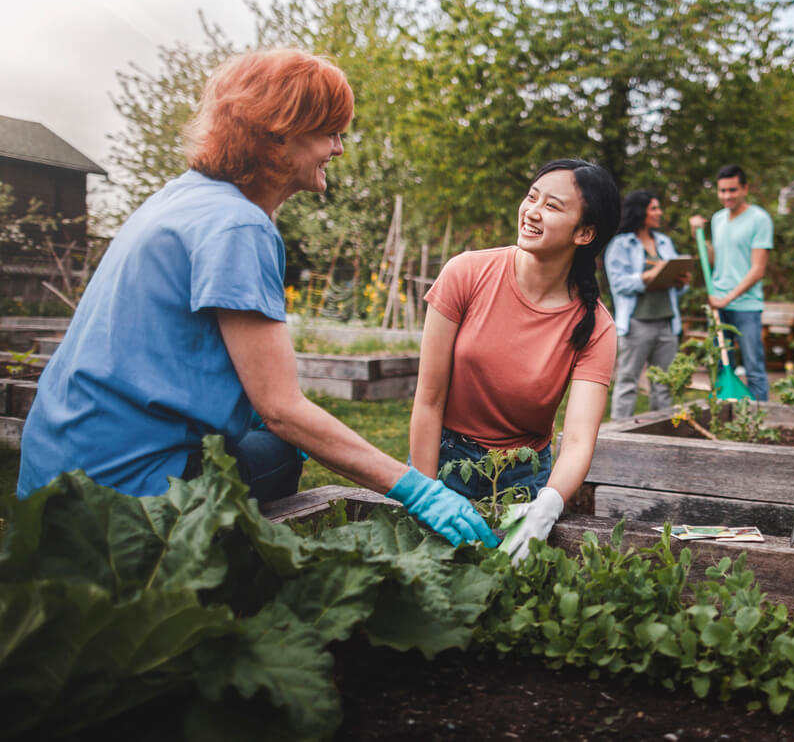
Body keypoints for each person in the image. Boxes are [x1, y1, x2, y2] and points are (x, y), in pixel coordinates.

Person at [18, 49, 496, 549]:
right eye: (329, 132)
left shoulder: (180, 197)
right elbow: (282, 409)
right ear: (280, 132)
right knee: (283, 450)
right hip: (123, 494)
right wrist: (418, 490)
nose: (338, 149)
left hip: (55, 472)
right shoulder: (238, 225)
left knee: (260, 442)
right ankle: (212, 576)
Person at [409, 158, 619, 562]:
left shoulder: (596, 328)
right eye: (531, 197)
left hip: (523, 479)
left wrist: (549, 505)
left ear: (585, 233)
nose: (532, 212)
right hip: (443, 459)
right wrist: (424, 491)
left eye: (553, 206)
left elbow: (577, 440)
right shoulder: (466, 273)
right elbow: (428, 399)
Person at [688, 164, 773, 401]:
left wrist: (728, 297)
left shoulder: (759, 219)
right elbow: (715, 260)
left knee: (754, 367)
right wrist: (699, 237)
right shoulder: (718, 219)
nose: (727, 196)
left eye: (732, 190)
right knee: (721, 366)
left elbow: (758, 269)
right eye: (722, 191)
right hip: (718, 304)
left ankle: (760, 421)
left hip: (746, 305)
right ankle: (726, 418)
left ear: (745, 188)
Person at [604, 190, 690, 418]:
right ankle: (619, 435)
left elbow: (676, 283)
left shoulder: (664, 242)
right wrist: (650, 275)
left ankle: (660, 435)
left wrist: (681, 281)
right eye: (654, 208)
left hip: (667, 323)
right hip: (637, 325)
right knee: (628, 381)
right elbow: (619, 284)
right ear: (640, 211)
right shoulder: (621, 245)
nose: (659, 213)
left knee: (664, 384)